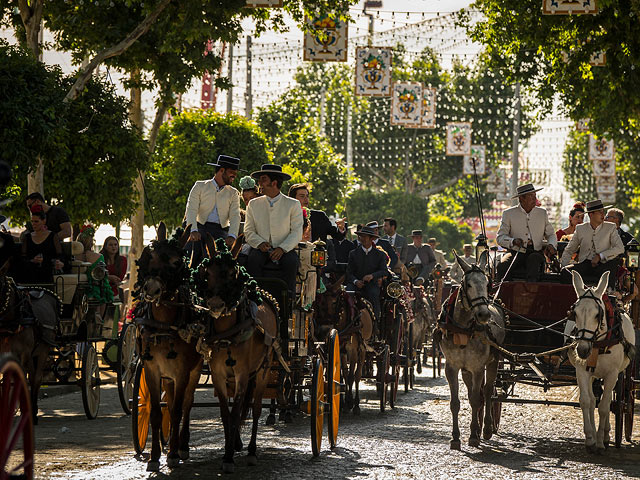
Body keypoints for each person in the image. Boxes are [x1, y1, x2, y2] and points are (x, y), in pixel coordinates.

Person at [244, 164, 303, 297]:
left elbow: (296, 232)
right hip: (260, 248)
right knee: (253, 259)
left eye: (263, 179)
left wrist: (282, 248)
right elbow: (248, 231)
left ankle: (287, 300)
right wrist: (260, 243)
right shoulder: (254, 204)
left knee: (291, 262)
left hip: (285, 250)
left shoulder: (293, 204)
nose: (259, 183)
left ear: (274, 182)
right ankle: (253, 298)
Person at [496, 183, 557, 282]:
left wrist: (551, 245)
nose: (535, 199)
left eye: (535, 196)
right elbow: (500, 237)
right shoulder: (508, 214)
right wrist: (513, 241)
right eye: (531, 196)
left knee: (533, 261)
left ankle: (530, 293)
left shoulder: (542, 213)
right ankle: (505, 293)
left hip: (536, 252)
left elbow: (551, 234)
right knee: (502, 266)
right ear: (521, 199)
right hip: (515, 251)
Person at [185, 155, 242, 261]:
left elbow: (235, 215)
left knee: (222, 258)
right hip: (199, 227)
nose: (234, 176)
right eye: (232, 173)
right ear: (221, 170)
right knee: (189, 252)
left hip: (220, 231)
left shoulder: (233, 193)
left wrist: (232, 235)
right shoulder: (199, 186)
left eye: (235, 173)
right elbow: (191, 209)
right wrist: (193, 230)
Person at [561, 200, 624, 289]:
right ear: (591, 215)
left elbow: (620, 248)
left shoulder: (610, 227)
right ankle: (573, 298)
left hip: (603, 264)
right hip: (585, 264)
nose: (603, 215)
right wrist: (563, 265)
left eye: (603, 211)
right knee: (565, 272)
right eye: (600, 212)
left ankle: (609, 297)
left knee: (612, 266)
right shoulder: (580, 228)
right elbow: (569, 250)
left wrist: (600, 256)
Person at [346, 225, 389, 321]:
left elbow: (384, 271)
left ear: (371, 239)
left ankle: (375, 322)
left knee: (373, 294)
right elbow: (349, 272)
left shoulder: (380, 254)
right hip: (356, 284)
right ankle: (348, 320)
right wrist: (356, 281)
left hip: (372, 284)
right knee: (347, 293)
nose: (363, 239)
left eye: (365, 237)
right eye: (361, 236)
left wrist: (372, 276)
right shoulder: (353, 253)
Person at [20, 205, 64, 284]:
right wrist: (32, 260)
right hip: (31, 273)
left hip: (47, 271)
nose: (33, 224)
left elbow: (59, 255)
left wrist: (56, 262)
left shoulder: (52, 236)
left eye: (36, 221)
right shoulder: (27, 237)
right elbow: (23, 258)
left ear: (44, 221)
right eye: (32, 221)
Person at [76, 226, 114, 308]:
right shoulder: (99, 257)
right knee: (104, 292)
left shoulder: (72, 257)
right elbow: (103, 279)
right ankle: (100, 318)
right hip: (93, 290)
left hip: (75, 289)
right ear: (91, 242)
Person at [100, 236, 127, 301]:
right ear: (105, 247)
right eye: (110, 245)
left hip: (115, 291)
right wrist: (108, 277)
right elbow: (98, 275)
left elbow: (119, 278)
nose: (113, 247)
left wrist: (107, 278)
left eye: (115, 244)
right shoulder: (100, 258)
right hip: (101, 290)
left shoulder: (122, 260)